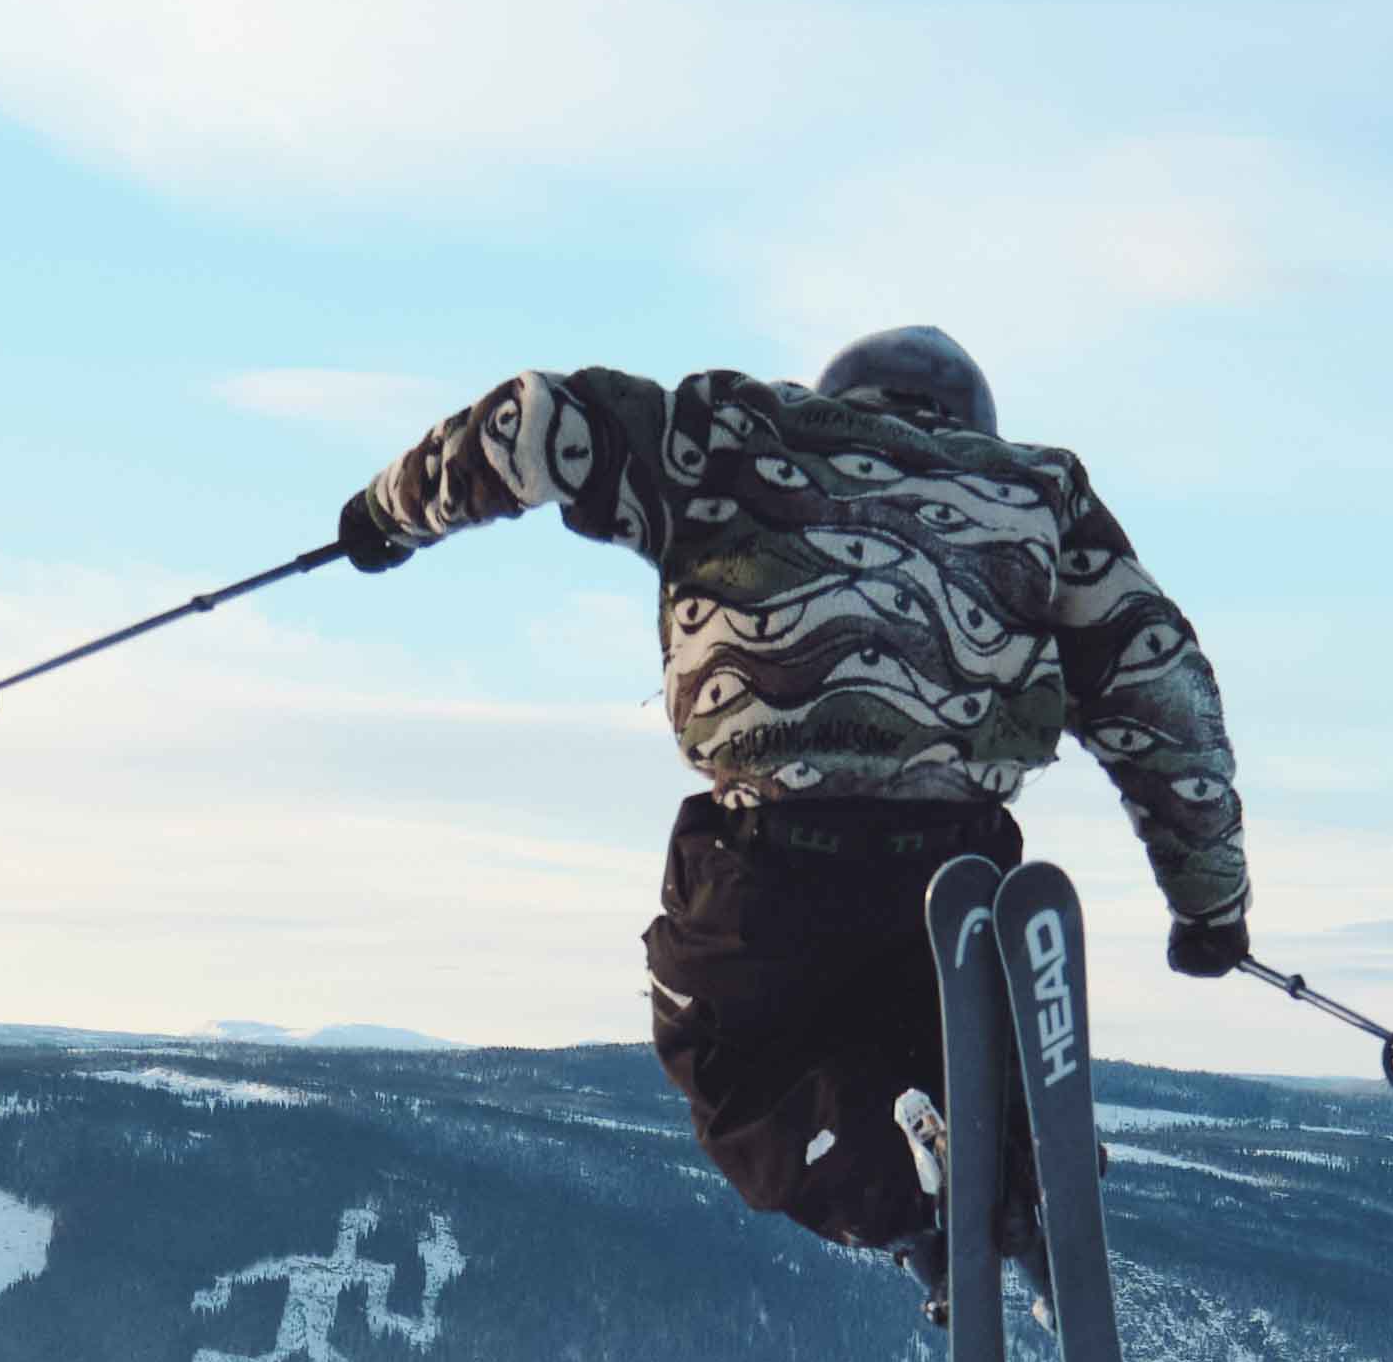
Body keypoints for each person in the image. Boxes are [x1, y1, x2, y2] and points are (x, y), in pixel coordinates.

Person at [332, 327, 1248, 1300]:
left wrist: (385, 516)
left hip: (768, 870)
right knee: (919, 1031)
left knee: (742, 1075)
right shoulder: (1035, 495)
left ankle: (897, 1189)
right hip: (956, 871)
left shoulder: (730, 434)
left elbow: (541, 421)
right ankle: (1009, 1155)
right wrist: (1210, 908)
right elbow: (1164, 696)